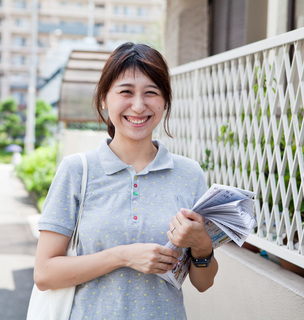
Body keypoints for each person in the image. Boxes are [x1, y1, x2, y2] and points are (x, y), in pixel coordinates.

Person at [34, 42, 218, 319]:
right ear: (104, 99)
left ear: (164, 101)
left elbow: (203, 284)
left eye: (151, 93)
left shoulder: (189, 174)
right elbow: (44, 274)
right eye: (126, 92)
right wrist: (123, 256)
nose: (138, 105)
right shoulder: (77, 170)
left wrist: (203, 246)